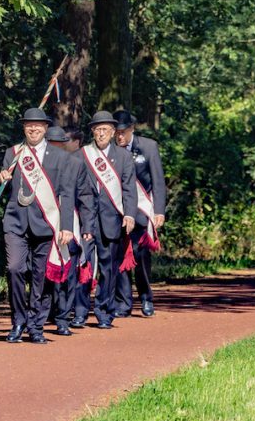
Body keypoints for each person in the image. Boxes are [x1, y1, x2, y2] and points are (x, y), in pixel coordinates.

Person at [0, 107, 74, 345]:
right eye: (29, 124)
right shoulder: (13, 153)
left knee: (42, 277)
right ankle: (18, 320)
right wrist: (2, 178)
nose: (33, 128)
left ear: (45, 128)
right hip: (16, 222)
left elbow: (67, 193)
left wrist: (67, 226)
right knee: (15, 269)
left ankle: (36, 325)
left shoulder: (59, 156)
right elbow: (5, 185)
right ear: (24, 127)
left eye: (38, 125)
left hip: (46, 223)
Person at [80, 111, 136, 329]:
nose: (101, 134)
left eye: (105, 130)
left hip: (112, 221)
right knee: (83, 264)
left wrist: (129, 214)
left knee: (107, 269)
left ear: (113, 133)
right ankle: (81, 312)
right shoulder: (82, 155)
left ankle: (104, 312)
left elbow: (129, 188)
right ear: (92, 132)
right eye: (97, 129)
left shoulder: (123, 157)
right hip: (86, 219)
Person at [113, 110, 167, 317]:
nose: (119, 136)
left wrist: (159, 211)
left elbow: (158, 180)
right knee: (120, 257)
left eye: (123, 132)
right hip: (117, 211)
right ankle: (123, 303)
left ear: (132, 129)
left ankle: (146, 297)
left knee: (140, 254)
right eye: (116, 132)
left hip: (142, 210)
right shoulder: (108, 151)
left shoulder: (148, 147)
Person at [45, 125, 95, 336]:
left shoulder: (76, 164)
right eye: (52, 144)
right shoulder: (37, 165)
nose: (55, 148)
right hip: (44, 225)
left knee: (68, 273)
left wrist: (87, 226)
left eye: (59, 144)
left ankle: (63, 318)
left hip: (70, 226)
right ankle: (46, 313)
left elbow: (85, 196)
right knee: (45, 274)